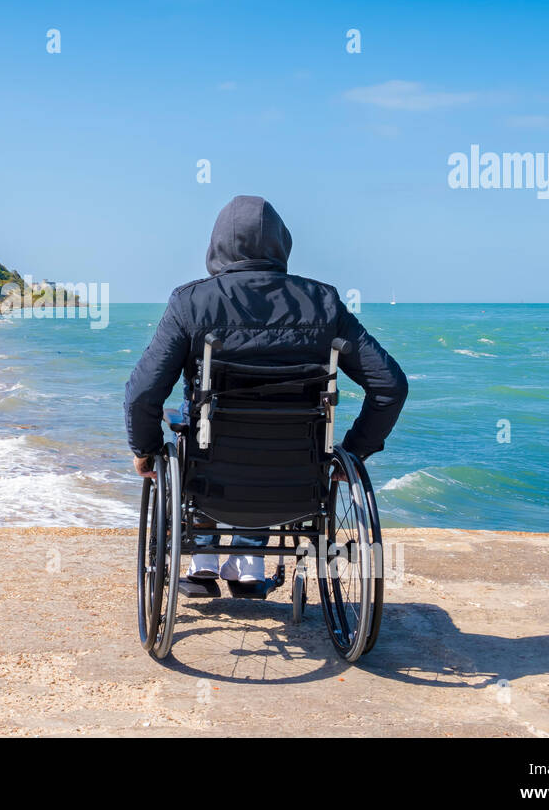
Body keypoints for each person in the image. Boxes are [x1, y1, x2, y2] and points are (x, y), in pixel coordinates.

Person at [123, 195, 408, 583]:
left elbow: (143, 393)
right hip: (296, 484)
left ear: (216, 244)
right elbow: (389, 384)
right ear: (282, 243)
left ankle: (204, 558)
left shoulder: (190, 302)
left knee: (200, 421)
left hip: (212, 476)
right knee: (269, 427)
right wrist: (356, 451)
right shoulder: (323, 303)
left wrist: (147, 450)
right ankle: (250, 560)